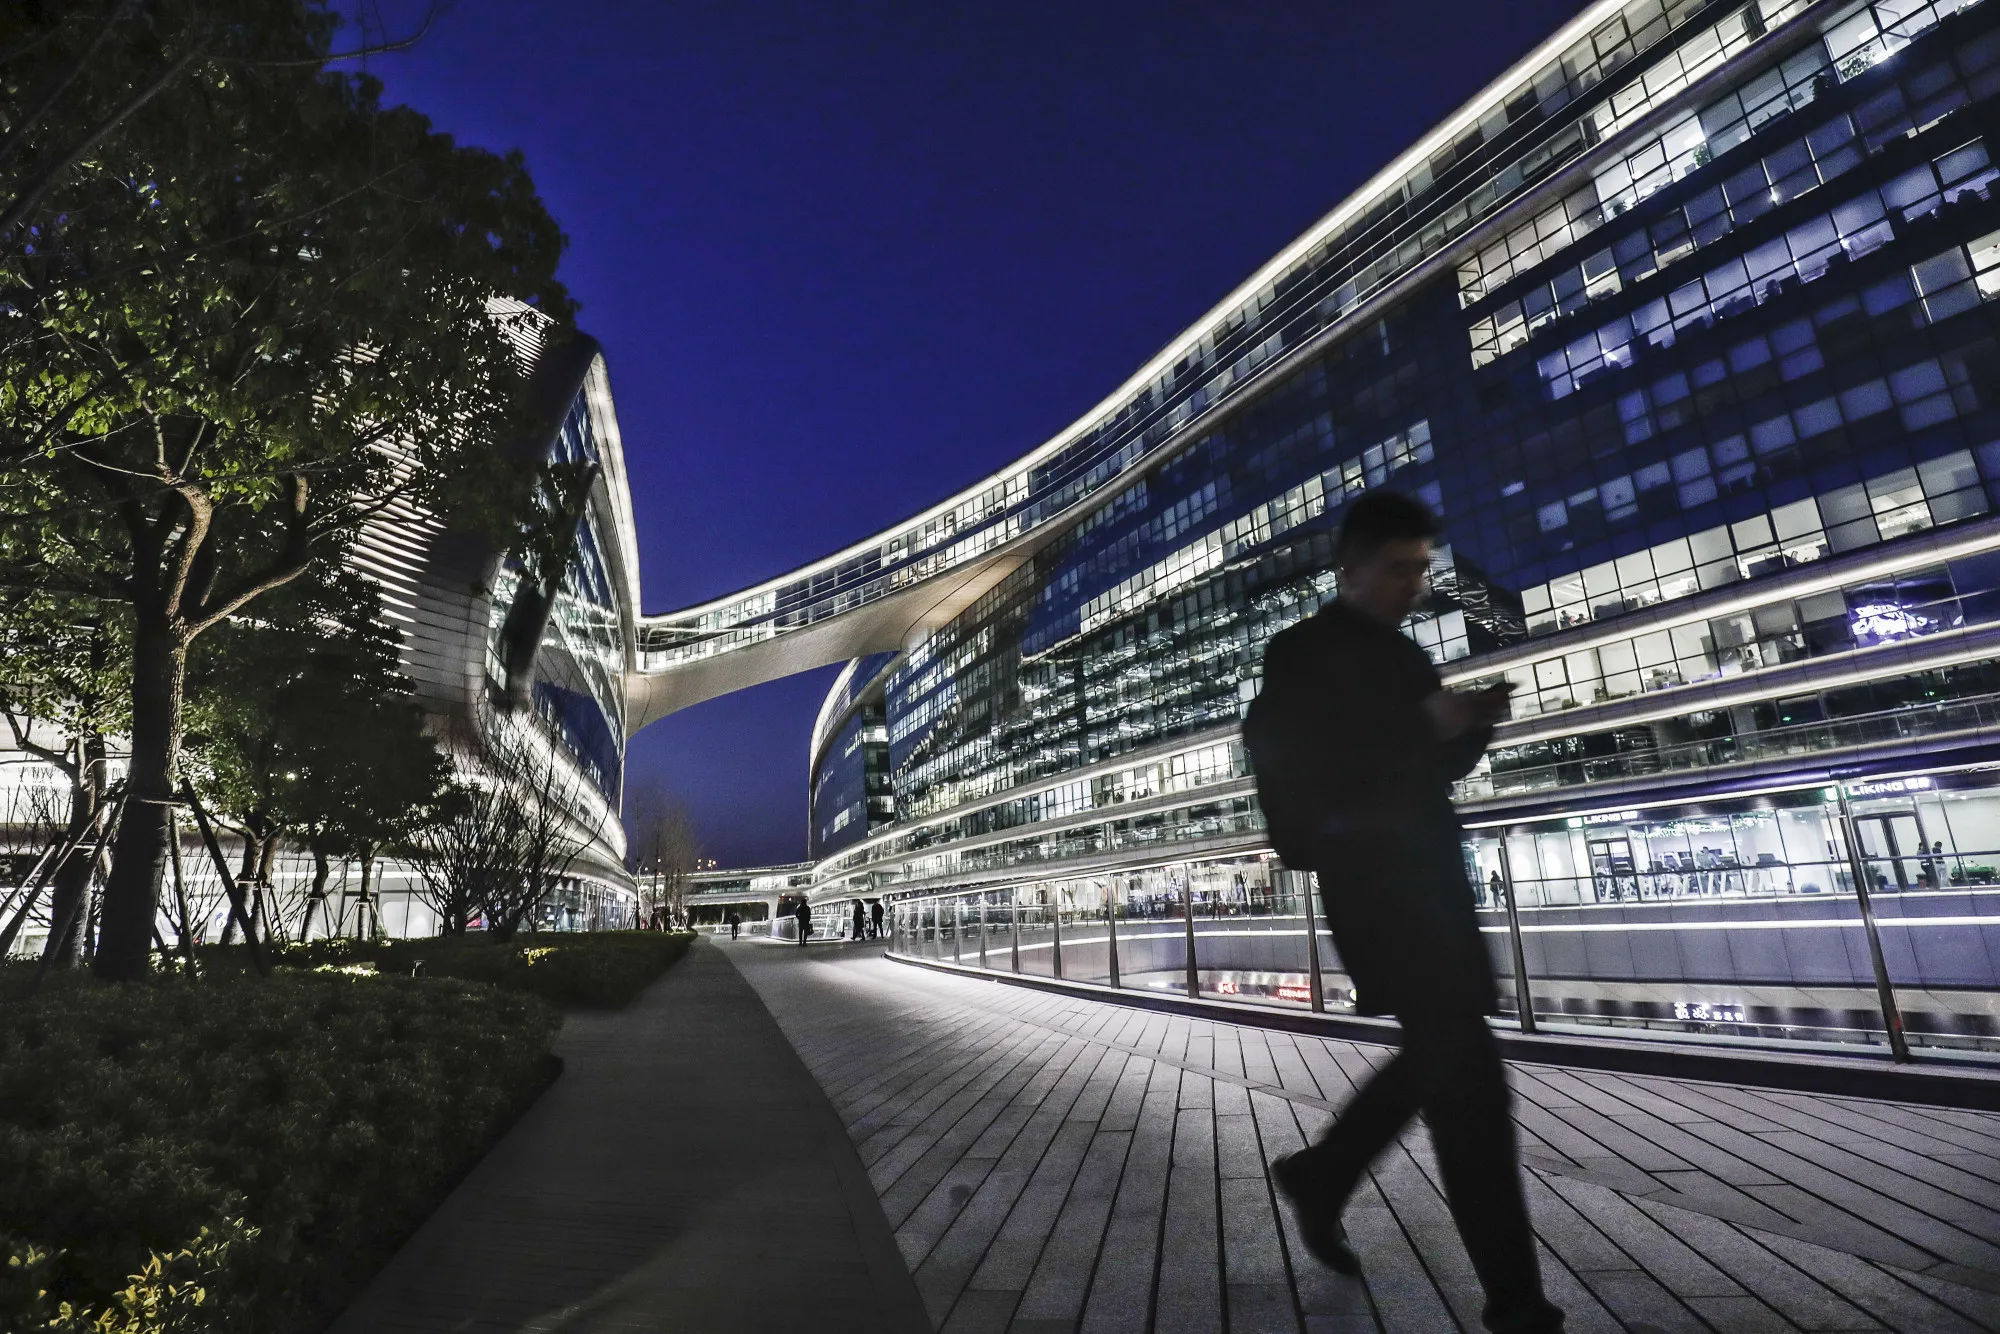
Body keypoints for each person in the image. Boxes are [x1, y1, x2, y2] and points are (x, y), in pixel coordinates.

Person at [1247, 491, 1563, 1334]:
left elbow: (1425, 767)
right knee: (1467, 1077)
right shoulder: (1300, 654)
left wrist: (1467, 727)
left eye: (1422, 568)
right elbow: (1307, 767)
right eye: (1398, 568)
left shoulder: (1406, 656)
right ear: (1348, 567)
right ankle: (1518, 1305)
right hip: (1376, 887)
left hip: (1429, 883)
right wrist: (1425, 727)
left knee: (1445, 1056)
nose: (1413, 585)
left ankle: (1326, 1175)